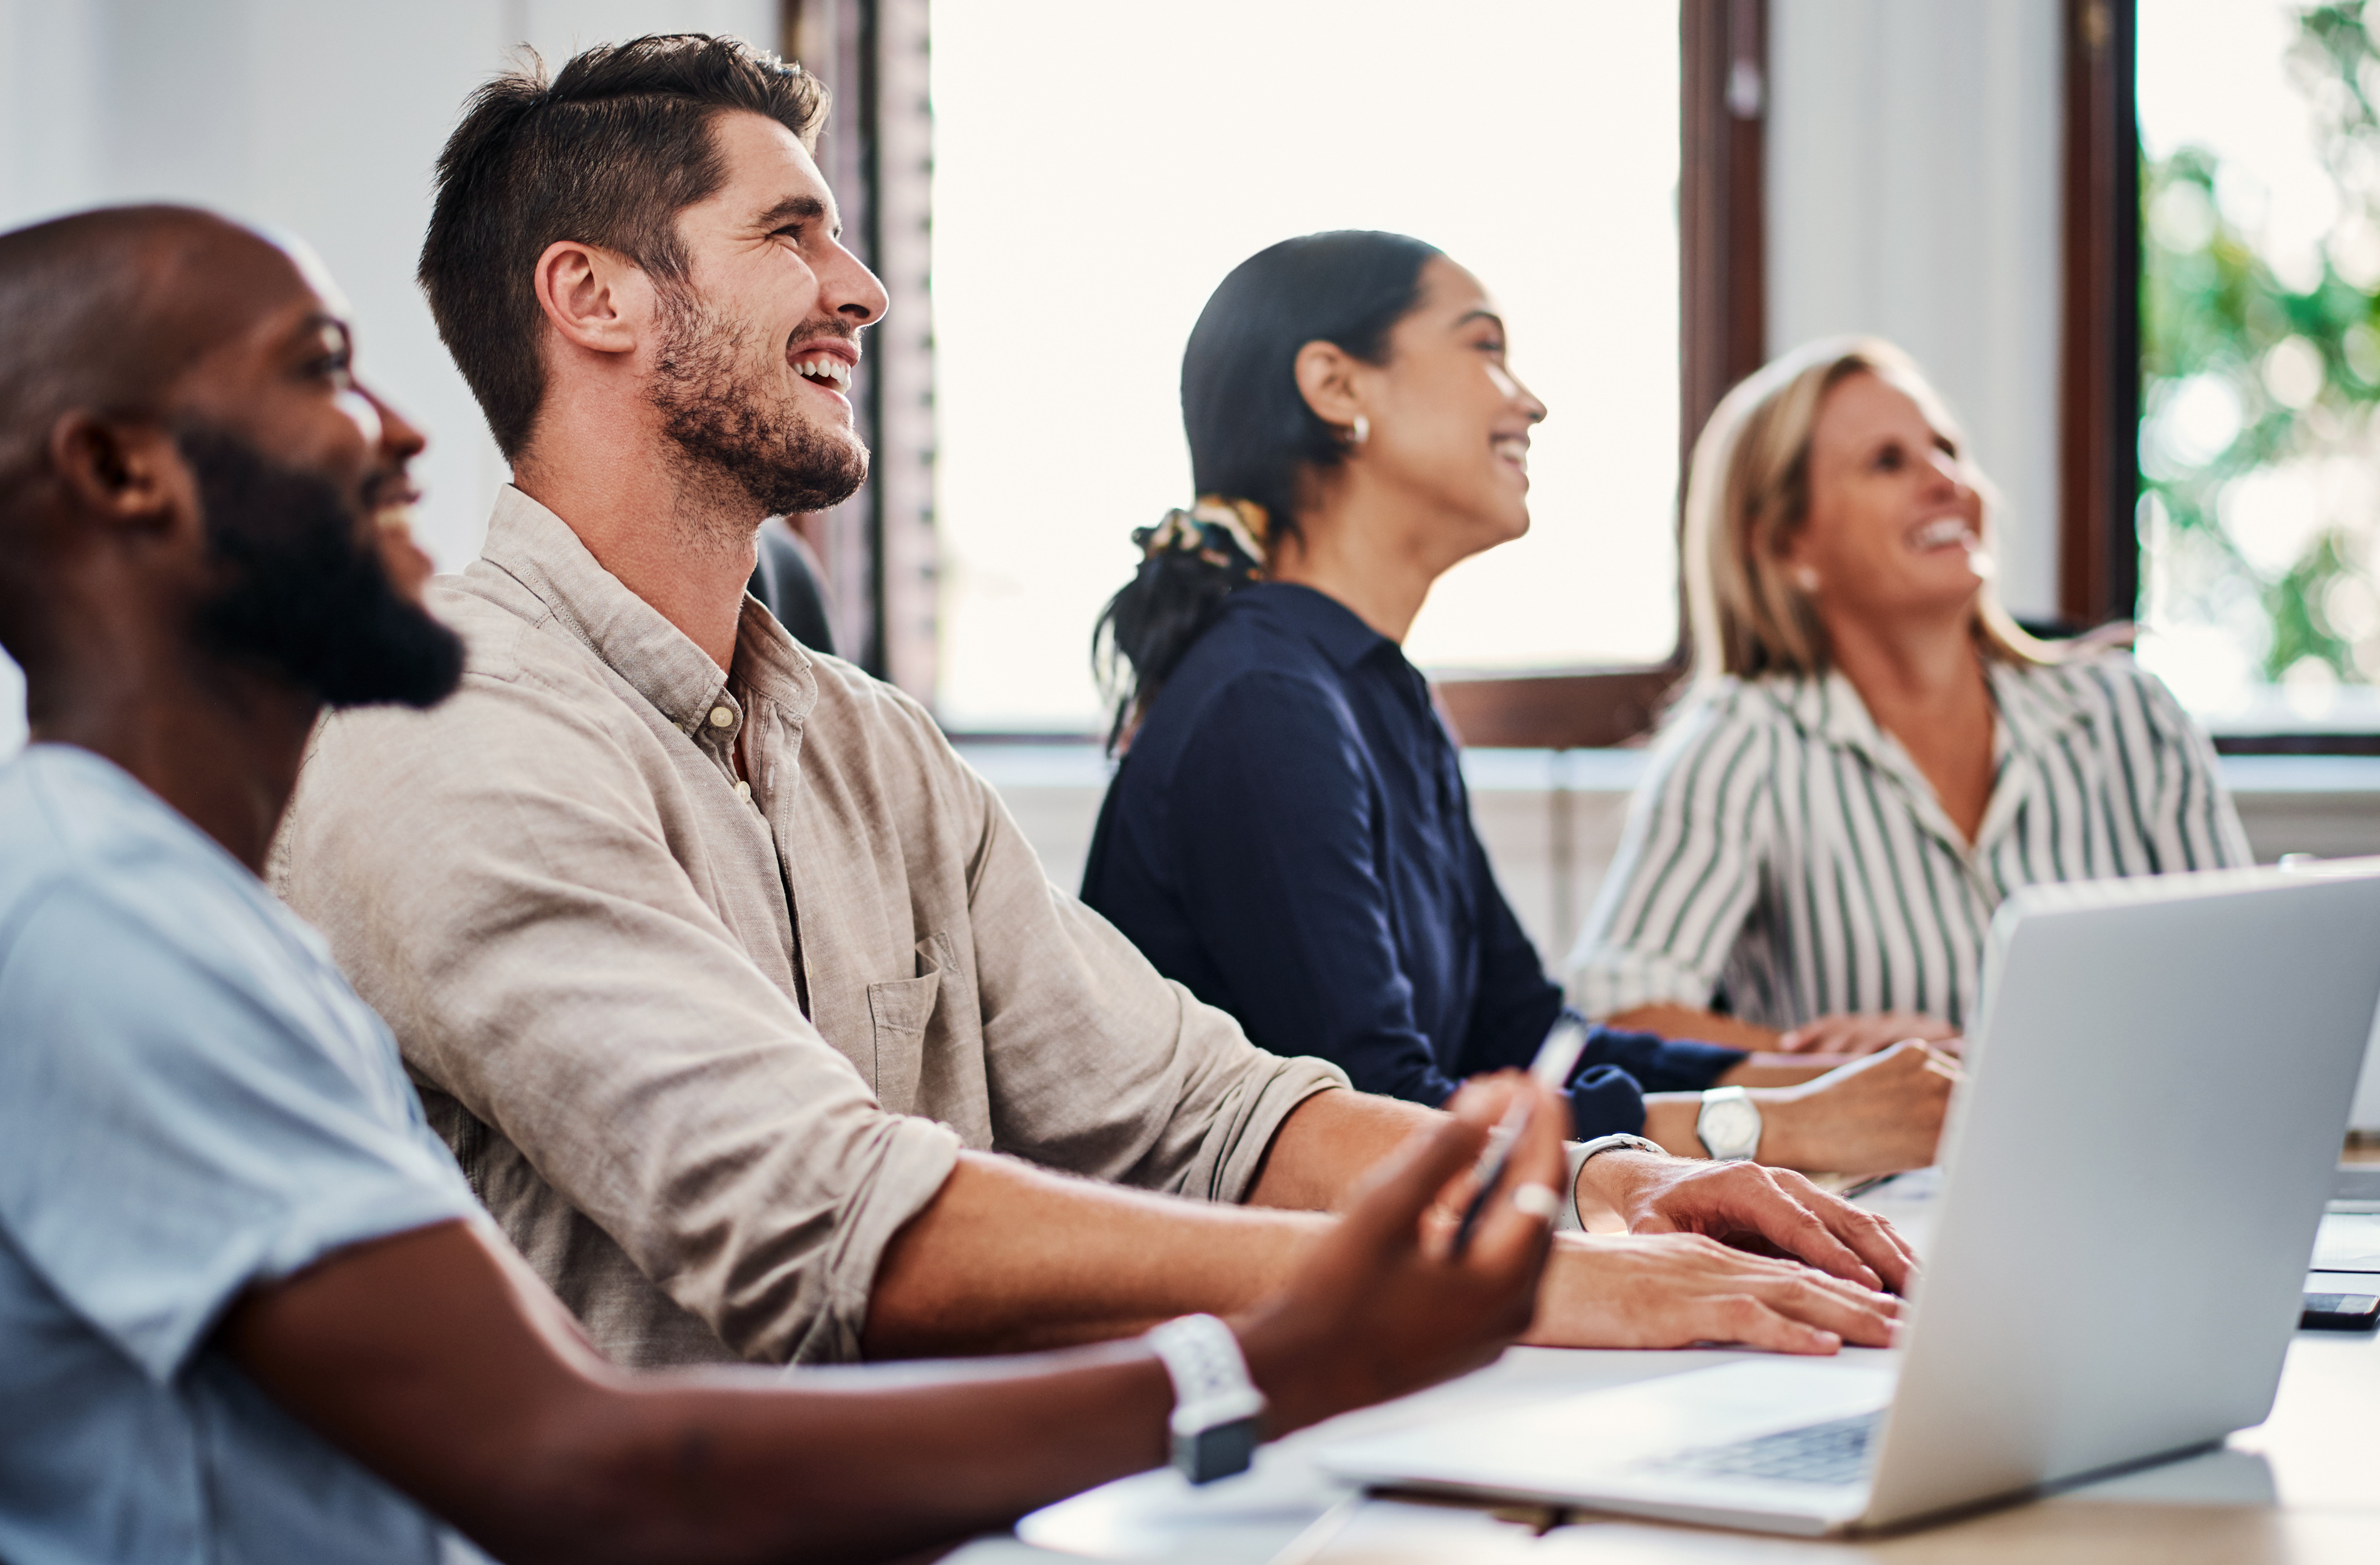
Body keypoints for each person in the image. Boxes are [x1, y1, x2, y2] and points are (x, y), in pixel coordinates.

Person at [0, 204, 1577, 1565]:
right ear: (117, 472)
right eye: (318, 370)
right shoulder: (76, 914)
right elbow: (577, 1463)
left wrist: (1570, 1210)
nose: (394, 432)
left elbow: (1173, 1101)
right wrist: (1268, 1361)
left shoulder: (176, 902)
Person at [272, 31, 1915, 1375]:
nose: (861, 289)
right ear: (594, 297)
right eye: (788, 232)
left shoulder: (869, 745)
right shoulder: (448, 733)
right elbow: (825, 1219)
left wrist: (1608, 1182)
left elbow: (1208, 1108)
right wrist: (1499, 1280)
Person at [1079, 233, 1955, 1176]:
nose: (1529, 401)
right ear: (1338, 388)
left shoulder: (1377, 696)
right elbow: (1384, 1125)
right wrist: (1775, 1124)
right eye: (1485, 348)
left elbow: (1529, 1039)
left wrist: (1804, 1073)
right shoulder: (1262, 705)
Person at [1565, 336, 2251, 1067]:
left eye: (1948, 449)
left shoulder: (2131, 717)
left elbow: (2253, 979)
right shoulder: (1742, 743)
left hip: (2144, 1164)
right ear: (1790, 545)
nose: (1945, 480)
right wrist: (1835, 1075)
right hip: (1887, 1183)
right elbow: (1615, 1018)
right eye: (1887, 462)